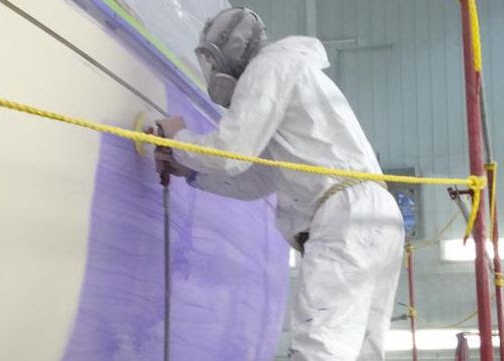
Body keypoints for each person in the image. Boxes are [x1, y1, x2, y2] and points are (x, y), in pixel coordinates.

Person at [152, 7, 405, 361]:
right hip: (376, 216)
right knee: (361, 350)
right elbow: (259, 179)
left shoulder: (267, 66)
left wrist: (179, 138)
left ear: (230, 52)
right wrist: (192, 173)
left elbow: (229, 152)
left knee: (320, 348)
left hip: (343, 213)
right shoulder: (292, 79)